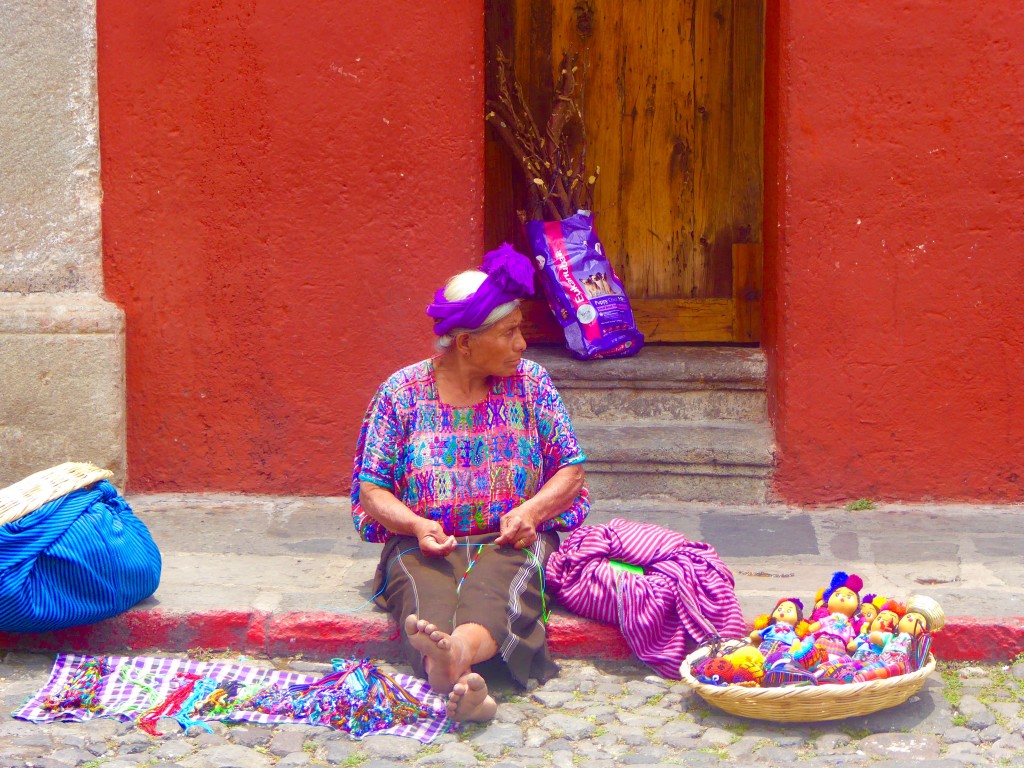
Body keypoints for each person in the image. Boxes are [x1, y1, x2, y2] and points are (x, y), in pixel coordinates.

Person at [350, 243, 589, 722]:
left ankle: (452, 660)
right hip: (424, 540)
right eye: (510, 332)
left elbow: (571, 470)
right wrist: (417, 525)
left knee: (497, 584)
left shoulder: (532, 384)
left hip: (511, 536)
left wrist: (532, 513)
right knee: (423, 590)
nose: (522, 344)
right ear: (465, 343)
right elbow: (371, 489)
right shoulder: (402, 393)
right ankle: (462, 680)